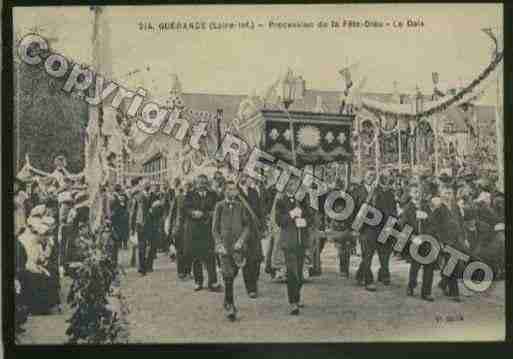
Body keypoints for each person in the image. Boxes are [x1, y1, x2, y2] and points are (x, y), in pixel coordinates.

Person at [212, 180, 252, 321]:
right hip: (224, 247)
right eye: (229, 189)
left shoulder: (241, 207)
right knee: (228, 276)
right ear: (225, 191)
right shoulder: (219, 206)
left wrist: (241, 240)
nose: (232, 191)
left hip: (237, 248)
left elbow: (247, 226)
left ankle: (226, 300)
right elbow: (215, 229)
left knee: (233, 273)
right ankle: (230, 306)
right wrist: (219, 244)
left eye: (234, 189)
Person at [275, 178, 313, 315]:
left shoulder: (303, 201)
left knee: (300, 275)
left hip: (301, 242)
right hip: (289, 243)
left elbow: (310, 218)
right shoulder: (281, 201)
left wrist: (304, 221)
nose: (294, 187)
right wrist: (292, 214)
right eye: (291, 185)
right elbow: (279, 220)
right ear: (286, 187)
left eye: (296, 185)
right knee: (292, 273)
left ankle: (296, 297)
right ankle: (293, 303)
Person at [355, 170, 397, 291]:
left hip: (385, 226)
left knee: (385, 253)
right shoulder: (374, 191)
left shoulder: (390, 193)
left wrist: (392, 222)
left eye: (389, 179)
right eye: (385, 179)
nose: (388, 181)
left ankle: (382, 274)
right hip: (370, 227)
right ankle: (368, 280)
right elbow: (365, 207)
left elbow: (393, 209)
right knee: (368, 254)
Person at [17, 205, 61, 314]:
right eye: (44, 236)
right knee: (41, 278)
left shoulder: (37, 243)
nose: (45, 238)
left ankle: (45, 306)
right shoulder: (29, 241)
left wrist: (42, 267)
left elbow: (41, 257)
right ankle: (38, 307)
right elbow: (28, 263)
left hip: (33, 267)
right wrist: (41, 269)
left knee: (47, 275)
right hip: (27, 269)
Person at [183, 174, 222, 292]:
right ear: (196, 184)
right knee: (196, 258)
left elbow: (217, 209)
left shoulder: (213, 195)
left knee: (210, 257)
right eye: (200, 183)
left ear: (207, 184)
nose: (202, 185)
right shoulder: (190, 195)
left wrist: (209, 214)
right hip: (194, 231)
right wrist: (193, 213)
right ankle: (198, 282)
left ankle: (213, 282)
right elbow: (185, 209)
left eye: (204, 183)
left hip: (208, 230)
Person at [401, 181, 436, 301]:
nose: (417, 195)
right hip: (415, 241)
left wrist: (427, 217)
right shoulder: (408, 208)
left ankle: (426, 292)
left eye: (419, 192)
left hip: (427, 241)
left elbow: (433, 223)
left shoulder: (426, 206)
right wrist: (412, 237)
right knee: (415, 266)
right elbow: (403, 225)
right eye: (415, 192)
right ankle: (411, 285)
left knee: (429, 266)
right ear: (410, 193)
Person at [237, 173, 264, 298]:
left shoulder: (254, 192)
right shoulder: (235, 193)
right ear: (242, 178)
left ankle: (255, 282)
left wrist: (262, 226)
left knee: (257, 258)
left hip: (255, 230)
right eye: (248, 178)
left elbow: (259, 210)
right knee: (247, 259)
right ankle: (251, 288)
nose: (251, 180)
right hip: (242, 231)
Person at [130, 179, 152, 276]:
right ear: (142, 186)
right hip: (141, 224)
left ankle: (147, 266)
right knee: (142, 246)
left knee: (149, 246)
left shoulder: (152, 195)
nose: (148, 186)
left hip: (150, 224)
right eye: (146, 185)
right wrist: (132, 226)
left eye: (148, 184)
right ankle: (142, 268)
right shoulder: (138, 196)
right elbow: (133, 212)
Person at [109, 184, 130, 265]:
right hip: (116, 222)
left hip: (119, 222)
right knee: (115, 242)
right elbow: (113, 210)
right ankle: (114, 260)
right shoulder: (113, 198)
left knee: (117, 242)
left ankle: (115, 260)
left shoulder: (116, 197)